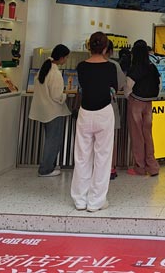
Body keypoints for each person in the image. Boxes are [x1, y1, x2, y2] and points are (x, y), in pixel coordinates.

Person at [70, 32, 118, 212]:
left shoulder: (81, 66)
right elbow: (113, 89)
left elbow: (82, 87)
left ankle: (80, 200)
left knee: (82, 156)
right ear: (105, 48)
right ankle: (96, 201)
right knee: (103, 157)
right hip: (104, 112)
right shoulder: (110, 67)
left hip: (85, 112)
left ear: (89, 46)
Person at [28, 44, 71, 177]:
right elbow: (57, 96)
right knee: (53, 141)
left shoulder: (44, 68)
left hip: (44, 111)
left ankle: (47, 166)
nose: (66, 60)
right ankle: (46, 169)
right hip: (54, 111)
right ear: (62, 57)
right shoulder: (55, 73)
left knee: (49, 139)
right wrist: (66, 95)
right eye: (66, 57)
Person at [126, 39, 160, 176]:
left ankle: (139, 167)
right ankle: (152, 166)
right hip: (149, 103)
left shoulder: (135, 68)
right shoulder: (152, 67)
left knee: (137, 135)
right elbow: (159, 84)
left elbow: (128, 86)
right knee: (148, 134)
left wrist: (129, 96)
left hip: (136, 102)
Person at [106, 40, 127, 180]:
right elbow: (120, 84)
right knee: (109, 140)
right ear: (111, 51)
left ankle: (95, 168)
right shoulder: (114, 65)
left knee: (92, 141)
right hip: (109, 105)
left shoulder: (84, 65)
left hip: (89, 108)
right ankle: (110, 168)